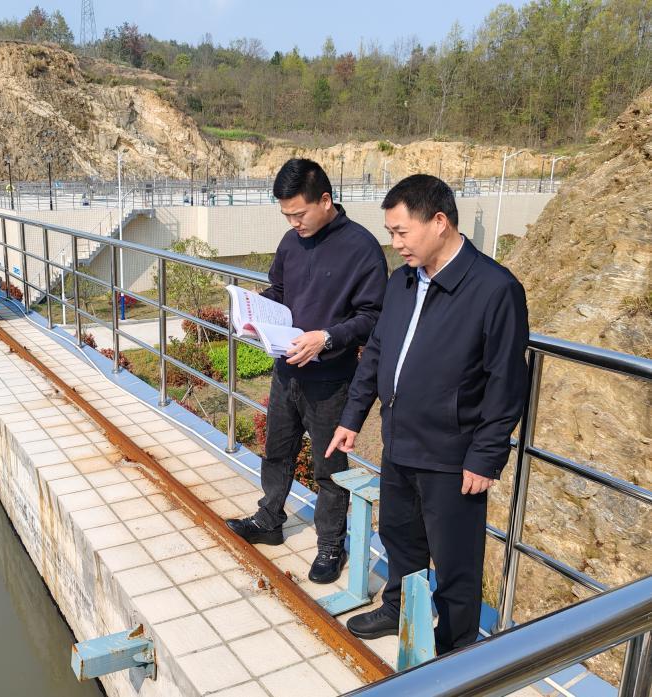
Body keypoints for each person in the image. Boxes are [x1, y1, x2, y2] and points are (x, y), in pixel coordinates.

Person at [326, 174, 529, 653]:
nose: (395, 243)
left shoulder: (494, 289)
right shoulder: (403, 281)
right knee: (400, 537)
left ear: (439, 222)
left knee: (455, 558)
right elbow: (377, 352)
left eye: (402, 232)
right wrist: (353, 416)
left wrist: (486, 455)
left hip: (452, 453)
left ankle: (456, 647)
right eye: (391, 233)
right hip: (399, 439)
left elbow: (506, 382)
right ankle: (398, 607)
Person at [225, 158, 388, 584]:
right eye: (287, 215)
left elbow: (373, 316)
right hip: (286, 370)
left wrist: (327, 338)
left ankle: (331, 545)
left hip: (330, 379)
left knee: (328, 467)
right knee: (277, 450)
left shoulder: (362, 249)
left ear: (325, 200)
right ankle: (269, 519)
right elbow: (279, 290)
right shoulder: (291, 242)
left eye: (299, 213)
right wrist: (251, 310)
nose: (294, 223)